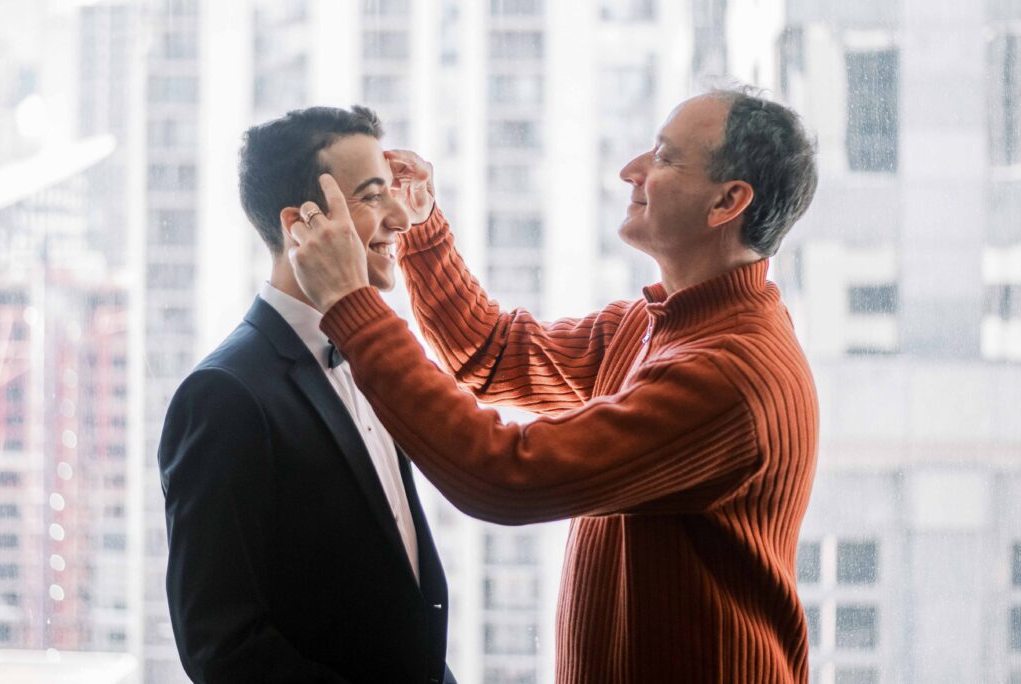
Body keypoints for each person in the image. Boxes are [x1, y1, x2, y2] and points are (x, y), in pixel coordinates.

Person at [288, 88, 819, 682]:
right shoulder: (653, 325)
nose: (632, 171)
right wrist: (423, 226)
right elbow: (491, 355)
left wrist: (353, 306)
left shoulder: (729, 376)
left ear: (728, 201)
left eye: (665, 159)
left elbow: (504, 474)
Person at [158, 106, 454, 684]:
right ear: (303, 224)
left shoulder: (378, 354)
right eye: (372, 197)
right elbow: (223, 648)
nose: (399, 217)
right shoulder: (223, 395)